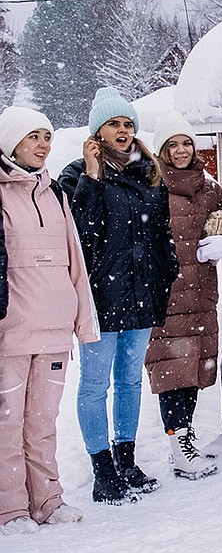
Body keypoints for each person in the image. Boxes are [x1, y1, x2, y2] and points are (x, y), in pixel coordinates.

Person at [59, 87, 177, 504]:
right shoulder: (77, 175)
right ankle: (102, 469)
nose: (123, 131)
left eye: (128, 124)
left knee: (129, 380)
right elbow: (80, 233)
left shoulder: (149, 174)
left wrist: (167, 273)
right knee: (94, 384)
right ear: (98, 132)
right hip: (100, 298)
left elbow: (161, 234)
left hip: (142, 295)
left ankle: (126, 459)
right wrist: (92, 174)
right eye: (115, 124)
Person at [0, 108, 98, 534]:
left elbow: (75, 262)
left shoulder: (55, 194)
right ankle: (10, 510)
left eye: (46, 136)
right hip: (11, 333)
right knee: (7, 424)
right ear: (10, 143)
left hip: (55, 331)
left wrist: (83, 322)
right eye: (33, 136)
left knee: (42, 422)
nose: (43, 144)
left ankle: (47, 501)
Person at [146, 111, 222, 479]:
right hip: (167, 297)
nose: (181, 150)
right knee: (171, 373)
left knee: (193, 373)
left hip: (201, 297)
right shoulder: (151, 186)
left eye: (186, 142)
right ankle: (179, 447)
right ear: (162, 151)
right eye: (172, 145)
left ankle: (186, 440)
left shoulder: (210, 188)